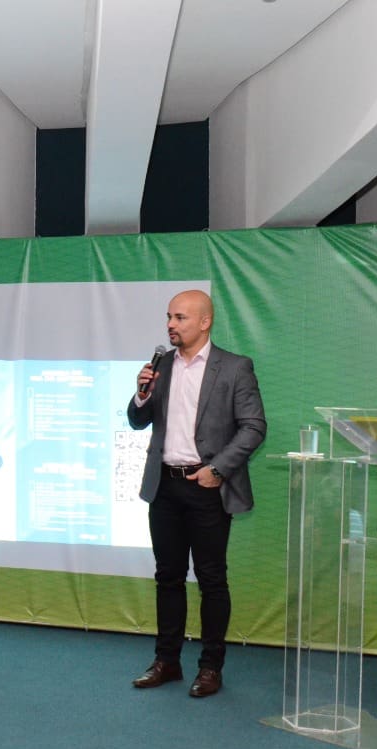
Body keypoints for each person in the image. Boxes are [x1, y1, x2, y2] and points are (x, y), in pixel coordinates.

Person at [127, 289, 266, 698]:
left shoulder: (235, 368)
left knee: (211, 579)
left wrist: (217, 470)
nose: (170, 325)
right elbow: (137, 420)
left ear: (205, 322)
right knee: (168, 577)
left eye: (180, 318)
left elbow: (254, 427)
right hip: (164, 486)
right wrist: (141, 394)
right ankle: (167, 661)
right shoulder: (161, 367)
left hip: (207, 487)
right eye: (169, 317)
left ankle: (210, 667)